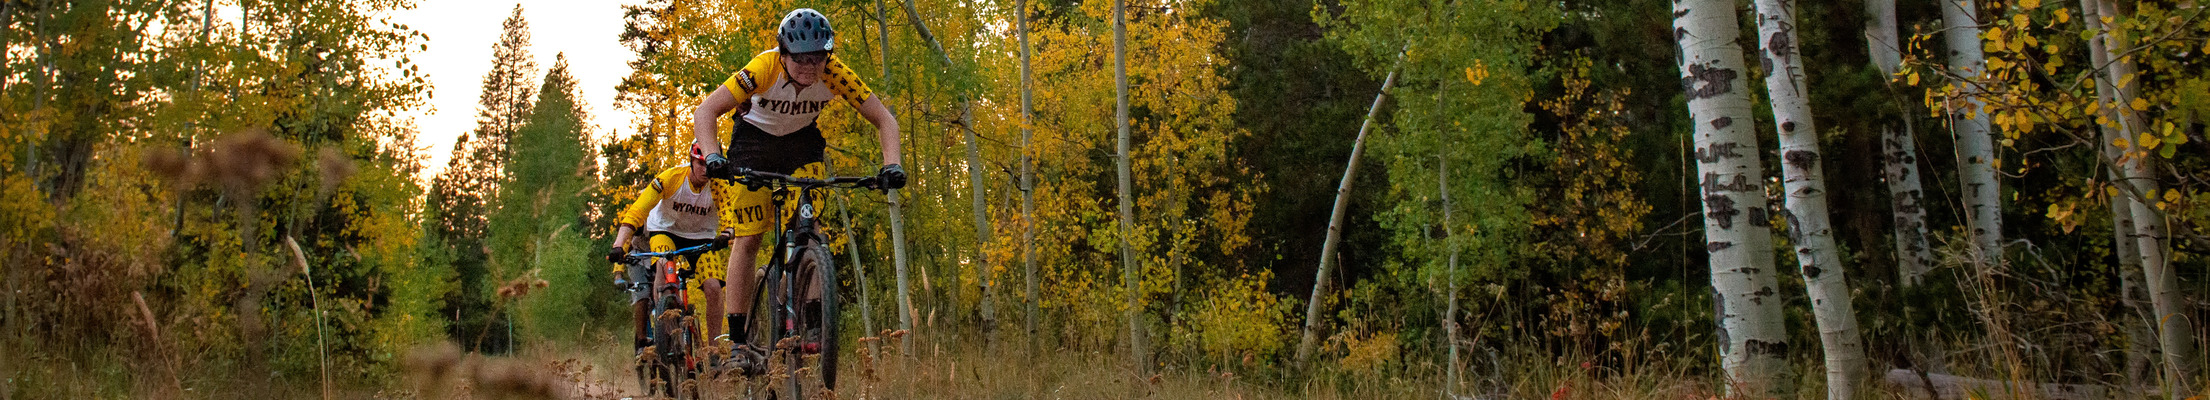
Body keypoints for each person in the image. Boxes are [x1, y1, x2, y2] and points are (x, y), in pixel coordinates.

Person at [691, 8, 907, 374]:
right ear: (783, 53)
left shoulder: (836, 73)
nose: (810, 68)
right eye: (800, 59)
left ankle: (810, 322)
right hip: (754, 142)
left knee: (810, 228)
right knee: (748, 240)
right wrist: (713, 156)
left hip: (802, 145)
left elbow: (884, 118)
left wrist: (892, 164)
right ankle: (739, 342)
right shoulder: (762, 68)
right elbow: (706, 111)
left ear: (828, 55)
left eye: (818, 58)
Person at [608, 144, 736, 355]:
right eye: (700, 164)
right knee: (665, 269)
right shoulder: (671, 178)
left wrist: (727, 234)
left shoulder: (719, 185)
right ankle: (664, 331)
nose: (705, 170)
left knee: (713, 287)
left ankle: (713, 351)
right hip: (665, 231)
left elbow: (730, 216)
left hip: (702, 237)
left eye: (709, 165)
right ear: (691, 161)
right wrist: (618, 245)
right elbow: (638, 210)